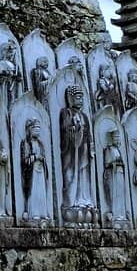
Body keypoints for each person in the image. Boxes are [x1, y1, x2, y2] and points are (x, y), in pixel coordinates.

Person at [59, 84, 93, 221]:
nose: (80, 100)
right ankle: (70, 201)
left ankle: (83, 199)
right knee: (70, 173)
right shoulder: (66, 112)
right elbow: (65, 128)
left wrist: (91, 146)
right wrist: (72, 129)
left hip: (83, 149)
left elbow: (89, 134)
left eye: (82, 97)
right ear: (70, 98)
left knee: (83, 173)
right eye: (77, 97)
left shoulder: (84, 115)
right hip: (71, 149)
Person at [20, 116, 51, 222]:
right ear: (29, 129)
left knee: (41, 191)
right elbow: (24, 160)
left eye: (39, 128)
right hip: (31, 171)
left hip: (40, 170)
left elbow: (44, 156)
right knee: (33, 191)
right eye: (35, 128)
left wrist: (41, 159)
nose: (37, 130)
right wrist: (33, 157)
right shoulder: (26, 143)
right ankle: (33, 212)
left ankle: (43, 212)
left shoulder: (41, 144)